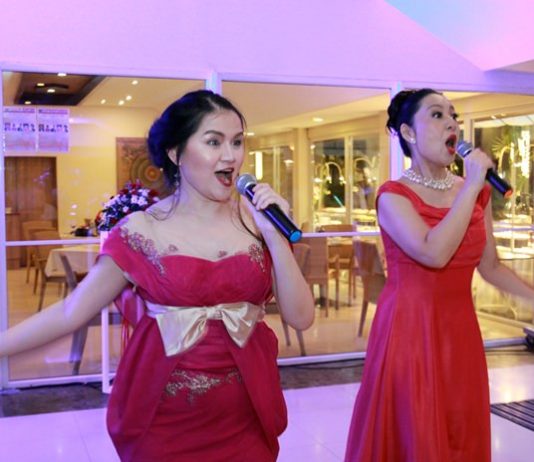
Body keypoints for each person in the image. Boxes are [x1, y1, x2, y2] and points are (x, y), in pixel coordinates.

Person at [0, 90, 315, 461]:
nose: (231, 156)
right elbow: (71, 311)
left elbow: (301, 317)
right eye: (214, 142)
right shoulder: (141, 230)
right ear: (175, 153)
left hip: (246, 415)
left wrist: (275, 237)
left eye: (237, 142)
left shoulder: (258, 224)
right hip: (164, 422)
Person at [344, 88, 534, 462]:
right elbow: (433, 252)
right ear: (408, 133)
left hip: (460, 333)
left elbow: (491, 267)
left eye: (453, 115)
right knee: (415, 433)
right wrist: (472, 186)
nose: (451, 123)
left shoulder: (473, 192)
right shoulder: (392, 197)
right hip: (409, 332)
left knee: (459, 430)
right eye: (436, 115)